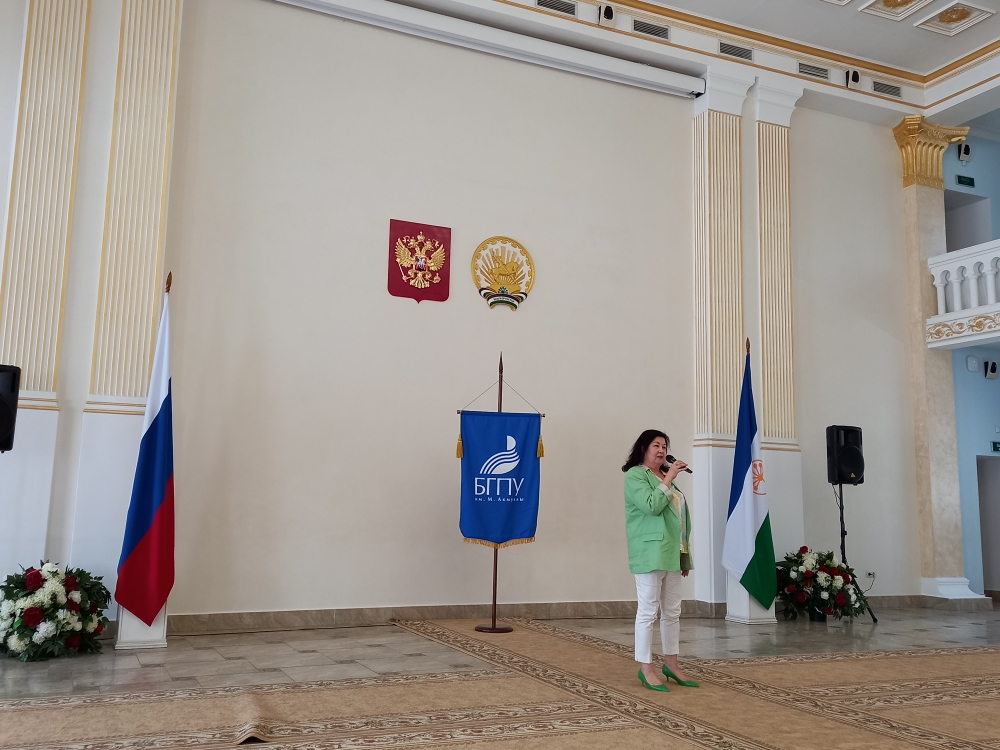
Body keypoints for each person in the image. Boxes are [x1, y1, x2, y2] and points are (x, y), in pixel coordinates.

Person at [622, 429, 698, 692]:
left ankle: (672, 664)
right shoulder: (635, 475)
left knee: (672, 612)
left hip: (671, 552)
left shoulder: (665, 477)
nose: (662, 450)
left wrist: (684, 556)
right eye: (656, 445)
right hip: (650, 551)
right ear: (643, 448)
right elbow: (651, 506)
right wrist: (670, 477)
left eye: (664, 446)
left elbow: (680, 520)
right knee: (648, 611)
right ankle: (646, 668)